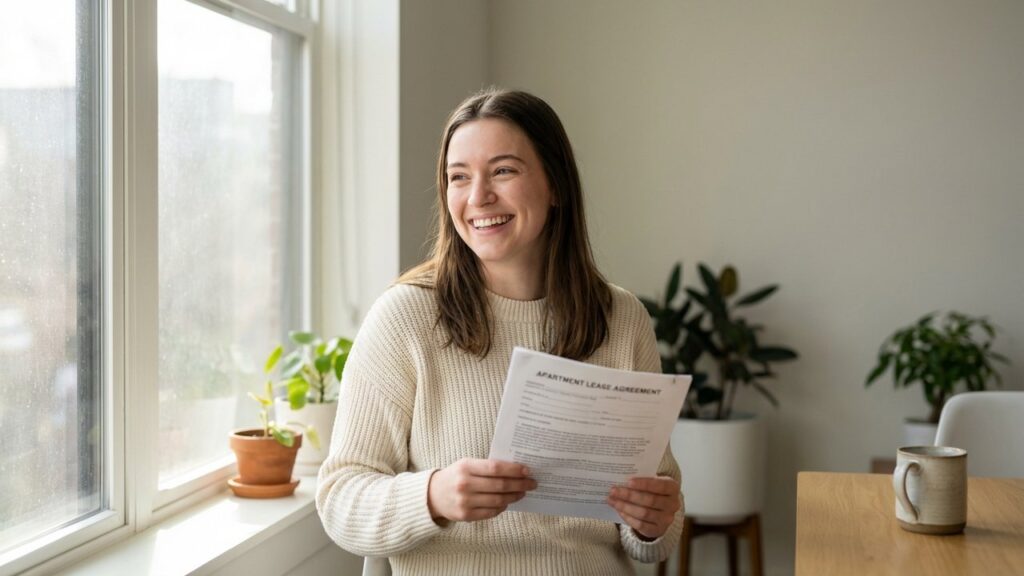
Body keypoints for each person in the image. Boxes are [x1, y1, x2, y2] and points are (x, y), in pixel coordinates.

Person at [316, 88, 683, 575]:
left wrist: (652, 522)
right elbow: (340, 500)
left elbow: (655, 529)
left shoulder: (621, 318)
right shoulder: (404, 318)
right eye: (459, 178)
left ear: (556, 186)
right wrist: (433, 495)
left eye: (503, 171)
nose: (478, 197)